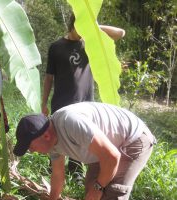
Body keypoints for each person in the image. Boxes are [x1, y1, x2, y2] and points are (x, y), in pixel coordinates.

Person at [13, 102, 156, 200]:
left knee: (109, 199)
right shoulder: (52, 143)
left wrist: (99, 188)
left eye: (30, 146)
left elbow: (112, 157)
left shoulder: (71, 124)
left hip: (133, 140)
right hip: (106, 147)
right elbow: (58, 174)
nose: (31, 151)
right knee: (91, 190)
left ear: (45, 136)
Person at [42, 13, 126, 175]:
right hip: (61, 103)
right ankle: (54, 171)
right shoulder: (56, 47)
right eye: (80, 27)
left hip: (85, 103)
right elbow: (48, 78)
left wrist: (93, 27)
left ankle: (76, 172)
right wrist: (44, 103)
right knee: (56, 137)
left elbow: (120, 33)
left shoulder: (89, 43)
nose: (82, 32)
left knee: (81, 138)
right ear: (73, 25)